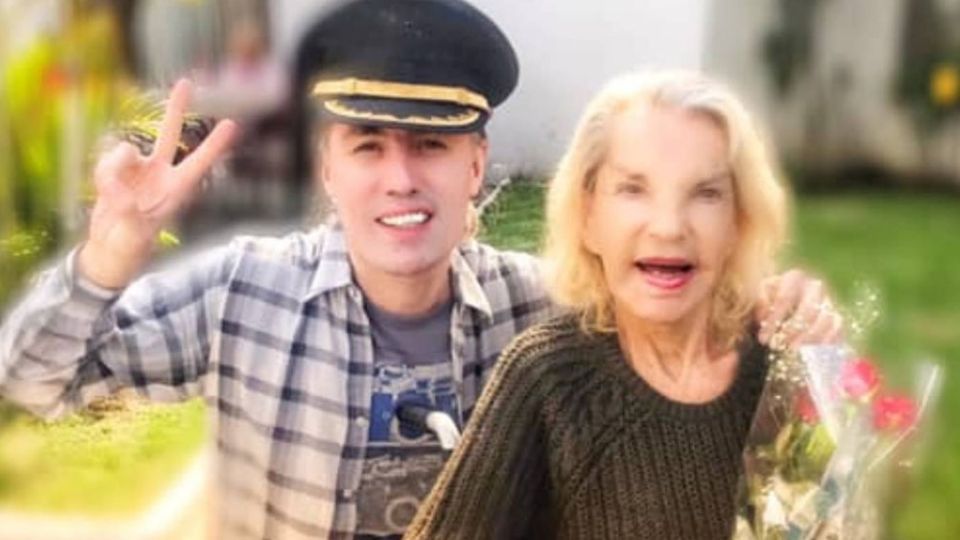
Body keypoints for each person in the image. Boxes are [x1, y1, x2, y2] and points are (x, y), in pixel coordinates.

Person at [0, 1, 837, 538]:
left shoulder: (544, 311)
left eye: (431, 145)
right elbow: (31, 380)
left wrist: (772, 306)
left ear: (475, 165)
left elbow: (680, 317)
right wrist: (110, 253)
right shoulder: (244, 291)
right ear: (328, 168)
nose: (400, 178)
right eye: (368, 146)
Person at [404, 70, 833, 539]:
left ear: (739, 219)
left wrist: (828, 366)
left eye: (706, 194)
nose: (669, 227)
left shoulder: (786, 364)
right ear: (588, 215)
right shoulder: (549, 378)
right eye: (633, 189)